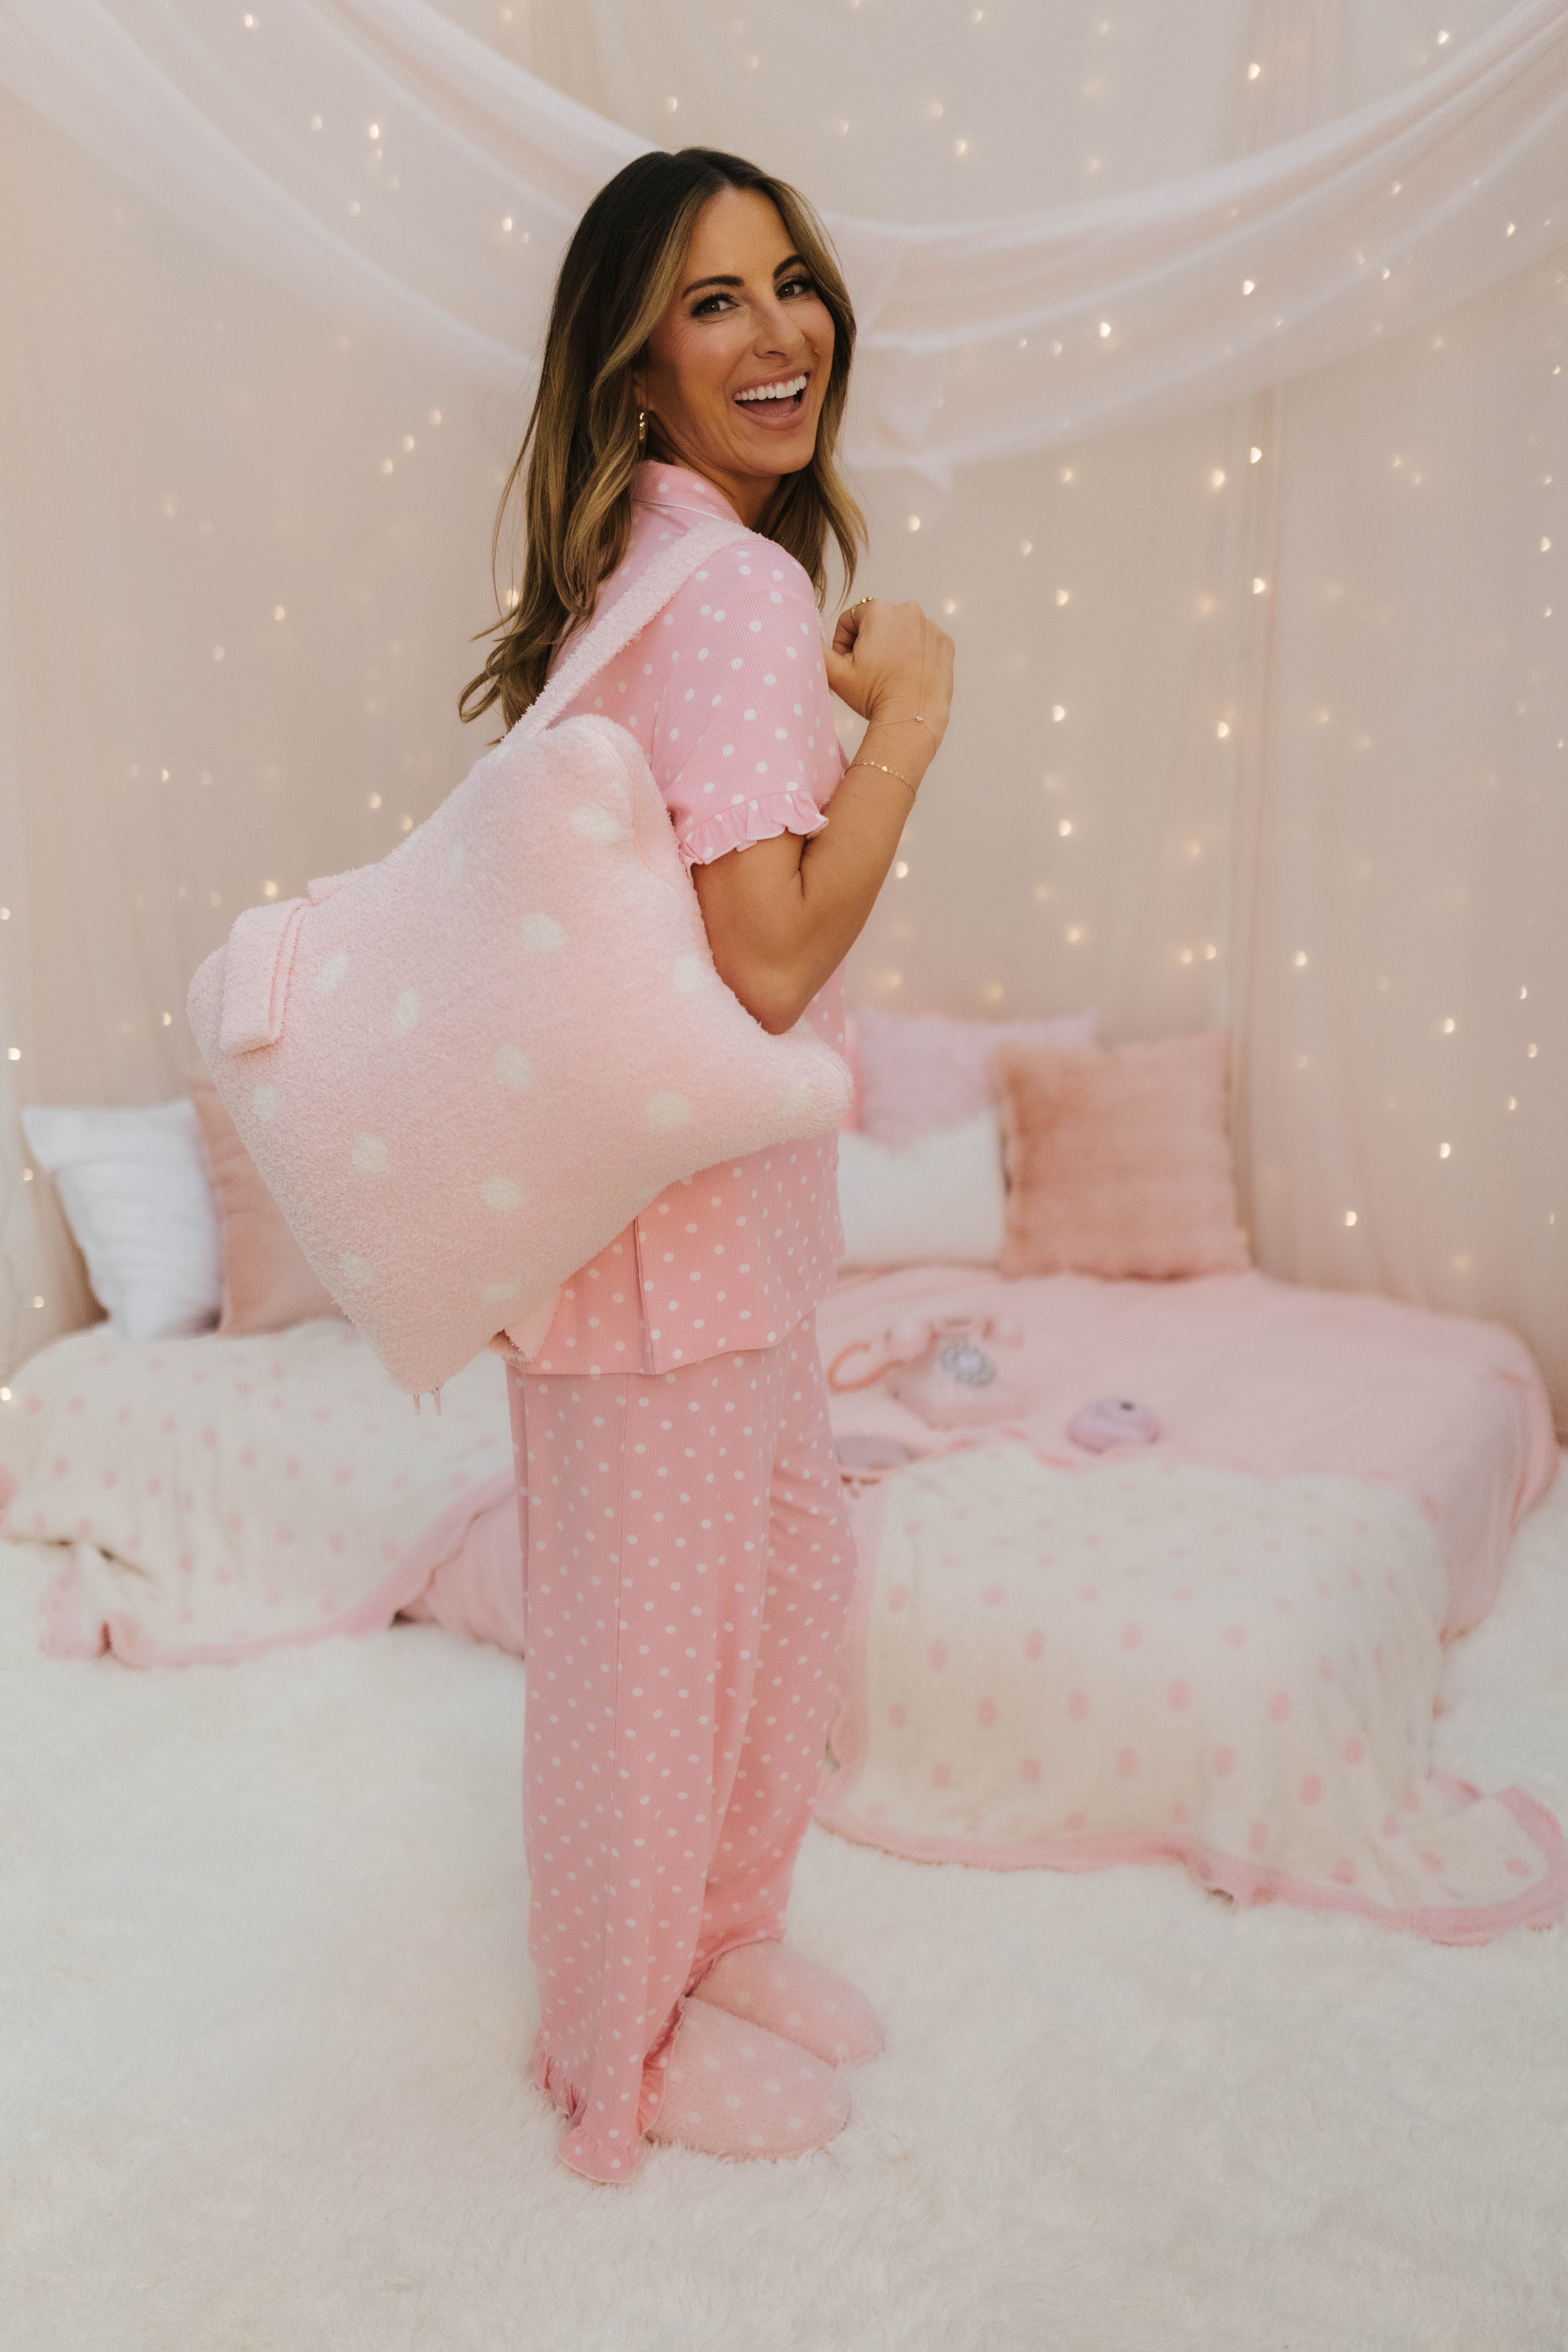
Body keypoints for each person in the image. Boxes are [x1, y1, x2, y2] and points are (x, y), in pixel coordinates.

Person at [458, 146, 954, 2183]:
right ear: (632, 366)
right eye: (712, 302)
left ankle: (724, 1938)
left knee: (773, 1600)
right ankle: (615, 2053)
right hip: (654, 1257)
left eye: (790, 284)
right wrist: (913, 715)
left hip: (726, 1239)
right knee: (647, 1670)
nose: (777, 335)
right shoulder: (731, 592)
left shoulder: (658, 577)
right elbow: (762, 964)